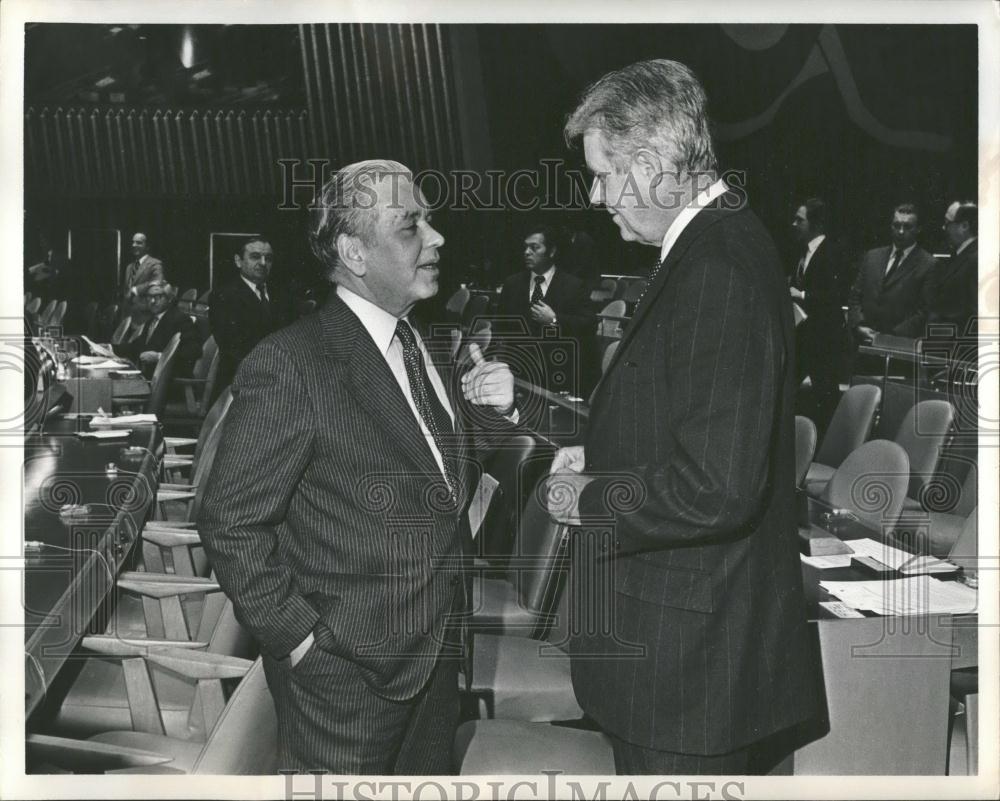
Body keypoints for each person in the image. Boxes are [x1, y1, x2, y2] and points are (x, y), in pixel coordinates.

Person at [198, 160, 516, 774]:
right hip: (345, 680)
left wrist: (492, 413)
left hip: (435, 658)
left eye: (429, 221)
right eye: (410, 226)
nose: (437, 237)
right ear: (354, 251)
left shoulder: (418, 342)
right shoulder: (292, 363)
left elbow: (437, 481)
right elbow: (230, 521)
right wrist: (300, 639)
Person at [552, 58, 821, 775]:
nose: (597, 195)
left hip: (689, 674)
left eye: (603, 173)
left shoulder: (717, 268)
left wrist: (590, 498)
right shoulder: (717, 244)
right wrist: (604, 456)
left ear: (651, 162)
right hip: (691, 658)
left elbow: (716, 486)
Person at [494, 224, 595, 396]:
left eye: (534, 247)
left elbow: (589, 324)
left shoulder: (574, 285)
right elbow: (500, 327)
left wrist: (554, 320)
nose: (527, 252)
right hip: (518, 374)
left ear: (552, 251)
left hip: (557, 375)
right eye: (525, 247)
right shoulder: (512, 283)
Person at [789, 197, 849, 427]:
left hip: (824, 342)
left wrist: (801, 295)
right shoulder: (802, 253)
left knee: (826, 399)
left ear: (814, 224)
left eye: (799, 220)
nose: (794, 224)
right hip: (804, 338)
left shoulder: (832, 252)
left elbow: (835, 296)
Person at [209, 236, 294, 393]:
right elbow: (232, 347)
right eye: (255, 256)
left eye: (268, 258)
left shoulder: (283, 295)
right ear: (238, 261)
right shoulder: (223, 296)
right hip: (240, 383)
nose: (263, 263)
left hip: (280, 380)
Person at [848, 203, 937, 342]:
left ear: (918, 229)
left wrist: (886, 337)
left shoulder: (929, 264)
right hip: (861, 343)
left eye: (907, 227)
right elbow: (855, 296)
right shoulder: (872, 256)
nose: (901, 231)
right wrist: (859, 325)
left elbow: (924, 311)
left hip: (897, 347)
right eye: (896, 225)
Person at [112, 279, 200, 376]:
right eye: (149, 297)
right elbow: (136, 347)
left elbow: (194, 351)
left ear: (169, 298)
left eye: (158, 297)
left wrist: (159, 357)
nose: (152, 301)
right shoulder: (153, 319)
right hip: (151, 378)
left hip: (170, 385)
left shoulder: (180, 319)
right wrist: (109, 348)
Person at [923, 199, 978, 337]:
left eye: (948, 223)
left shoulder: (976, 259)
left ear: (964, 226)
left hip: (956, 350)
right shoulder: (961, 255)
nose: (944, 228)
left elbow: (974, 316)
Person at [121, 231, 165, 323]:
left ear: (147, 246)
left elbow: (158, 282)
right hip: (126, 317)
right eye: (133, 242)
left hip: (143, 317)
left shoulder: (155, 263)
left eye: (139, 243)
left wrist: (136, 289)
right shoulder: (129, 267)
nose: (134, 245)